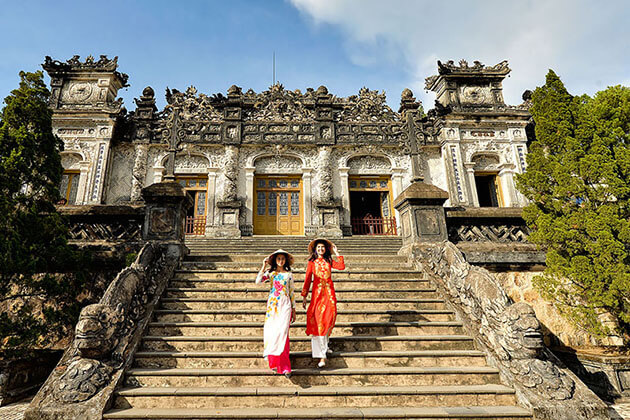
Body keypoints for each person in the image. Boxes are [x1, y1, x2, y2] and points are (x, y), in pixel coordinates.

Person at [301, 238, 345, 368]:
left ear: (325, 249)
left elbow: (341, 267)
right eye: (318, 247)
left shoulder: (329, 261)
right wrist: (304, 295)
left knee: (329, 318)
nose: (320, 249)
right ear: (315, 249)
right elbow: (308, 279)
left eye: (322, 247)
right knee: (319, 321)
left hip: (329, 295)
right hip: (317, 297)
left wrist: (337, 253)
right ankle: (321, 356)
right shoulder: (312, 263)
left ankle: (325, 345)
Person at [256, 249, 296, 378]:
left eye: (283, 259)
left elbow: (291, 292)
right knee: (272, 331)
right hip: (273, 305)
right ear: (275, 260)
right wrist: (263, 266)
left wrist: (294, 310)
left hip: (285, 304)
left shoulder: (289, 275)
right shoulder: (271, 274)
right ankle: (274, 361)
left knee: (283, 333)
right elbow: (258, 281)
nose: (281, 261)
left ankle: (285, 366)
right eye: (278, 259)